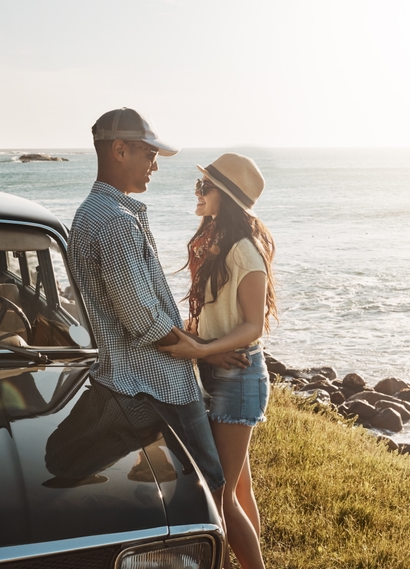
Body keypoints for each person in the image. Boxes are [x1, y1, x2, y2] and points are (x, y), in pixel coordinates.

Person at [67, 108, 248, 526]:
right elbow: (144, 321)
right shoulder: (115, 222)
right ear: (119, 150)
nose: (154, 165)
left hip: (124, 378)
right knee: (210, 495)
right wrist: (205, 352)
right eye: (149, 153)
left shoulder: (91, 213)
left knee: (165, 501)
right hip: (160, 384)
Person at [160, 153, 276, 569]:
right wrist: (200, 342)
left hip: (238, 375)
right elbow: (208, 317)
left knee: (220, 493)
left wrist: (203, 350)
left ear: (225, 197)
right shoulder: (214, 243)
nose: (198, 191)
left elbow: (252, 326)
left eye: (205, 186)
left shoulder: (245, 251)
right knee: (239, 487)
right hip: (218, 368)